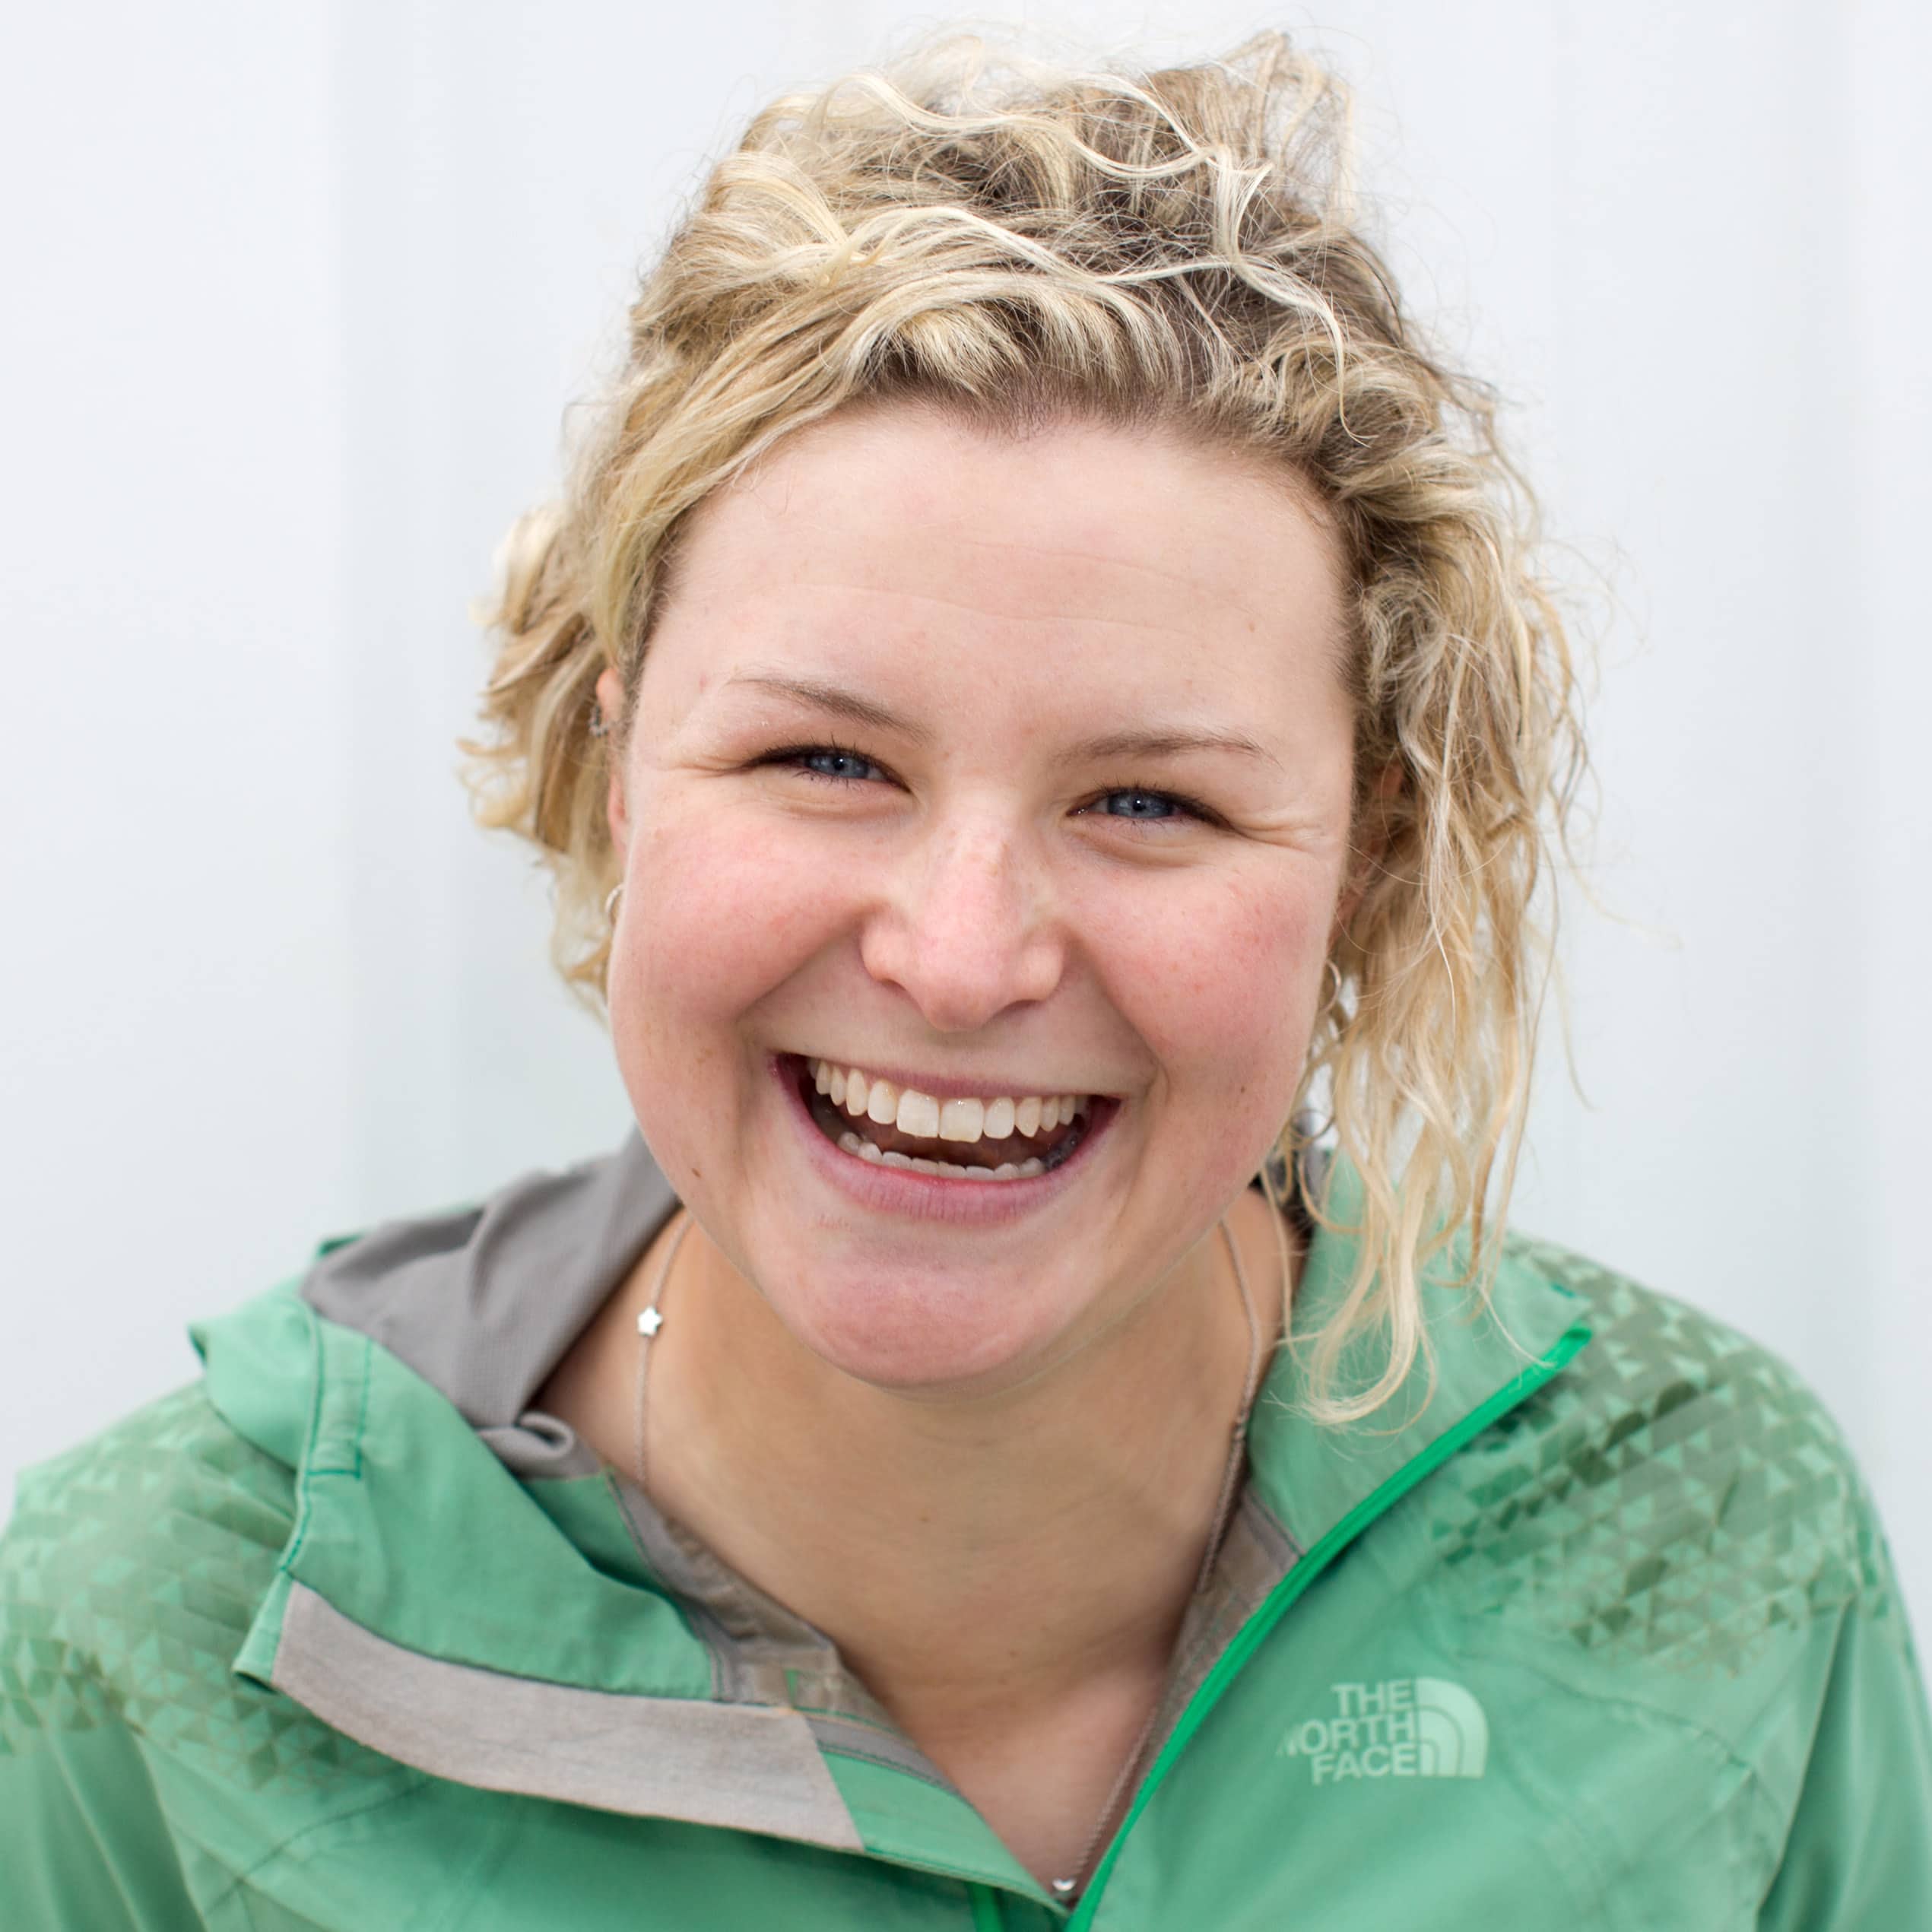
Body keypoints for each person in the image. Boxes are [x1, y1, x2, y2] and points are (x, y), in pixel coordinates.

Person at [3, 29, 1927, 1930]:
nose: (956, 957)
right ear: (616, 765)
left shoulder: (1701, 1539)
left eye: (1147, 800)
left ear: (1369, 860)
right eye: (824, 759)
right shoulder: (143, 1640)